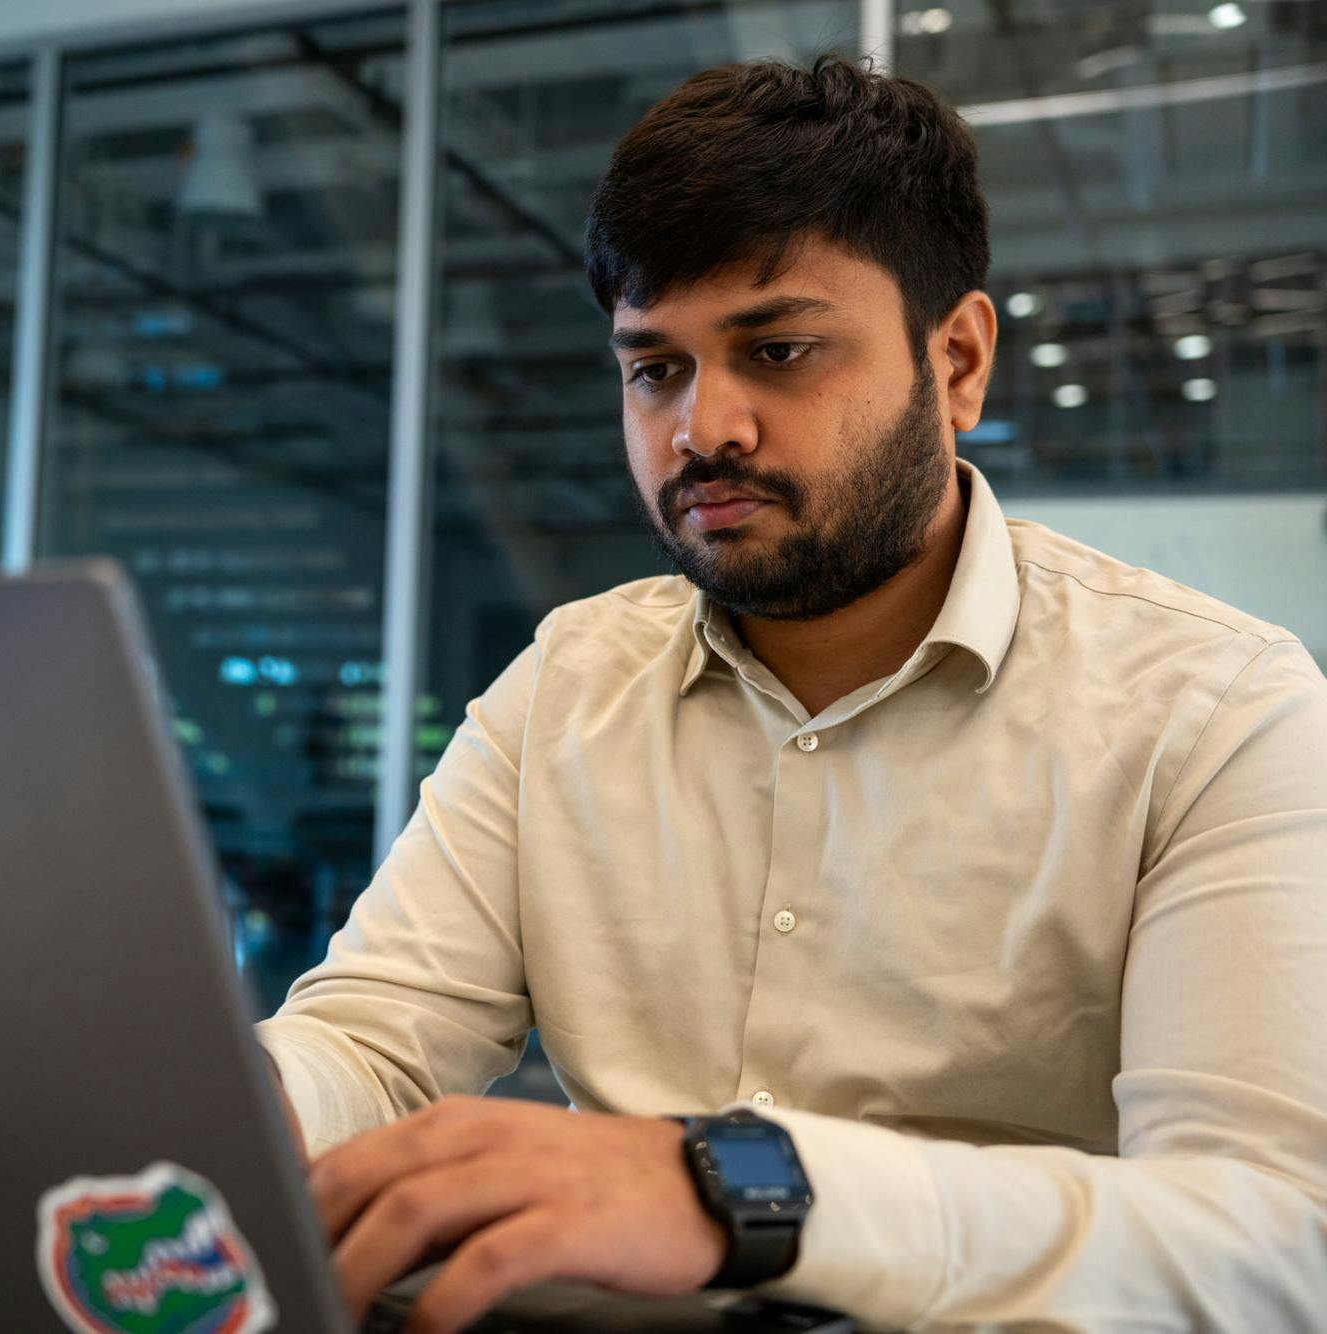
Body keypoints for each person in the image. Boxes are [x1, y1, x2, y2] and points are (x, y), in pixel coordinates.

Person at [255, 54, 1327, 1332]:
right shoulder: (565, 684)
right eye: (653, 367)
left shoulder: (1216, 710)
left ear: (960, 361)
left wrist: (738, 1192)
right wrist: (205, 1107)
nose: (705, 428)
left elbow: (1267, 1238)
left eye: (777, 348)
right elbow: (373, 1042)